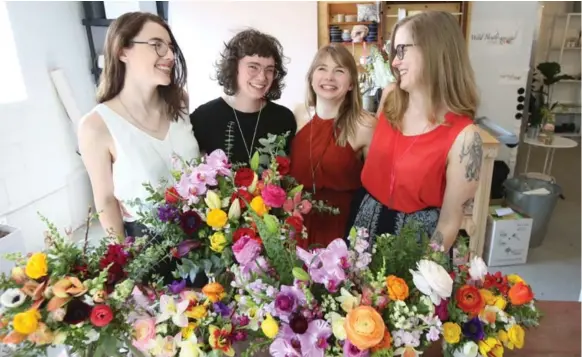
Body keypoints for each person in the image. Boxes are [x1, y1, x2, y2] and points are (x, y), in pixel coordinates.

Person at [347, 11, 483, 252]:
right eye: (393, 53)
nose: (395, 62)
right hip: (363, 223)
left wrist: (424, 276)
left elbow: (450, 222)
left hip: (414, 244)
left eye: (402, 50)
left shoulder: (465, 137)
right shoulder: (390, 98)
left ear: (434, 51)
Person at [77, 12, 200, 241]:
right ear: (122, 51)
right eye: (157, 45)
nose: (171, 55)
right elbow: (105, 201)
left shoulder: (179, 101)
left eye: (171, 47)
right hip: (148, 245)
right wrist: (124, 256)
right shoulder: (96, 126)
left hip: (200, 230)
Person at [289, 44, 376, 250]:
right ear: (311, 77)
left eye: (339, 71)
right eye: (322, 69)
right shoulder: (297, 116)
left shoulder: (365, 125)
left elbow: (375, 191)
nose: (329, 77)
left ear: (352, 84)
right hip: (298, 225)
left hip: (342, 227)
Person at [190, 29, 297, 165]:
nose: (262, 77)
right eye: (253, 67)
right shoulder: (204, 118)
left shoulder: (284, 118)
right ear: (234, 68)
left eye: (269, 69)